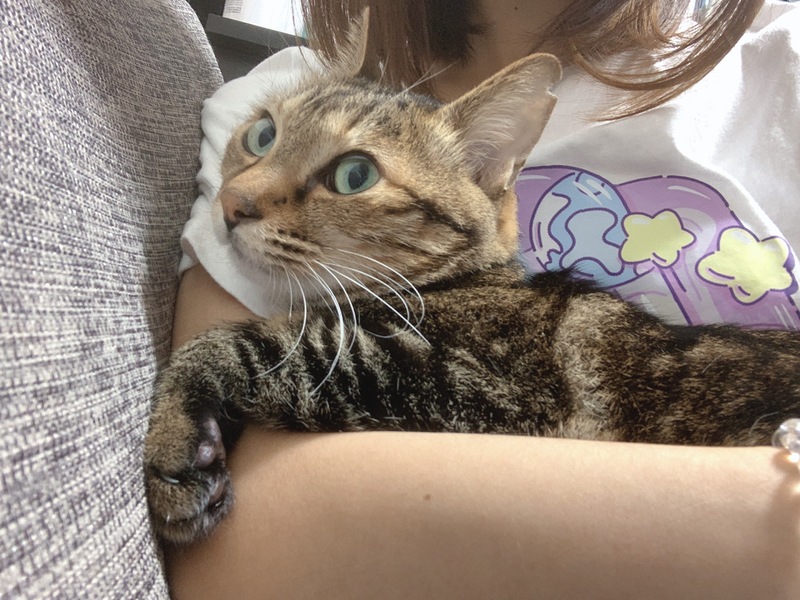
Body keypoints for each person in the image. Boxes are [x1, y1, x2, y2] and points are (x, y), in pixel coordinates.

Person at [166, 0, 800, 597]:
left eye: (352, 174)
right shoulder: (287, 81)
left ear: (483, 171)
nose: (244, 195)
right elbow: (235, 550)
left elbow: (432, 387)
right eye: (262, 139)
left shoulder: (782, 58)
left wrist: (226, 363)